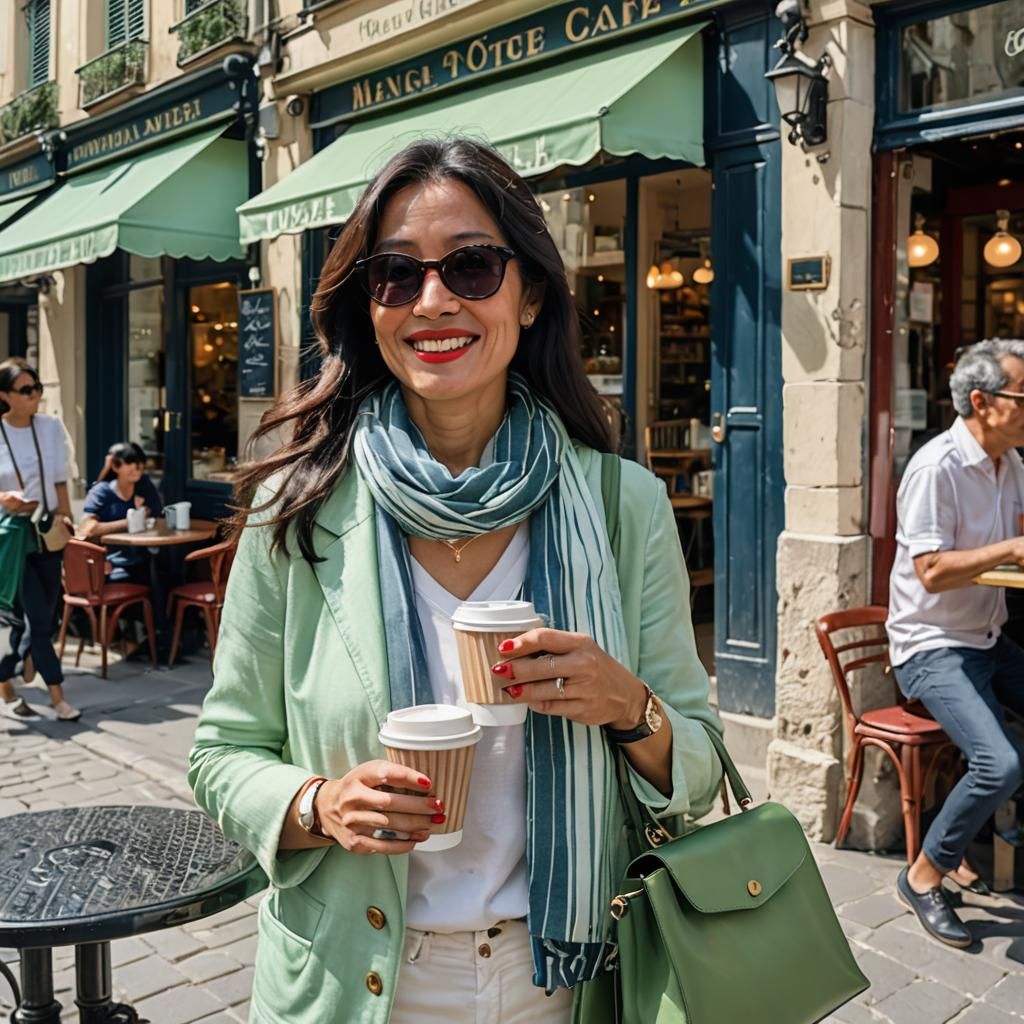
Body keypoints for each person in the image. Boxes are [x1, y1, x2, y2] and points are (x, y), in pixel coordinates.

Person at [188, 137, 723, 1024]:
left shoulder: (621, 504)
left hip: (570, 976)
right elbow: (221, 753)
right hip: (358, 981)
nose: (433, 301)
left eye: (472, 266)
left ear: (532, 290)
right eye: (395, 274)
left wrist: (630, 705)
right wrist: (317, 804)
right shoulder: (299, 508)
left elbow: (699, 766)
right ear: (370, 306)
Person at [888, 338, 1024, 948]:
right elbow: (932, 571)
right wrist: (1011, 551)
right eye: (1023, 396)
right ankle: (924, 876)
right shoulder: (936, 466)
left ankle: (990, 838)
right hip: (930, 644)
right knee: (1002, 762)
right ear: (982, 401)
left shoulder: (1012, 463)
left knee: (1005, 759)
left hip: (986, 637)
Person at [0, 358, 80, 721]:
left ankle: (7, 680)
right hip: (12, 536)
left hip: (47, 532)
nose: (35, 396)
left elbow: (61, 478)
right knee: (33, 618)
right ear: (5, 396)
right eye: (26, 390)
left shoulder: (49, 427)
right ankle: (58, 697)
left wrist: (67, 516)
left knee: (42, 611)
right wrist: (5, 499)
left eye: (38, 389)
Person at [78, 441, 164, 582]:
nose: (136, 468)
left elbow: (156, 512)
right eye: (129, 462)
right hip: (111, 562)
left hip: (142, 558)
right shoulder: (102, 491)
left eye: (139, 463)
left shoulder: (143, 485)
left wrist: (145, 511)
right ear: (115, 466)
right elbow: (87, 528)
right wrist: (131, 522)